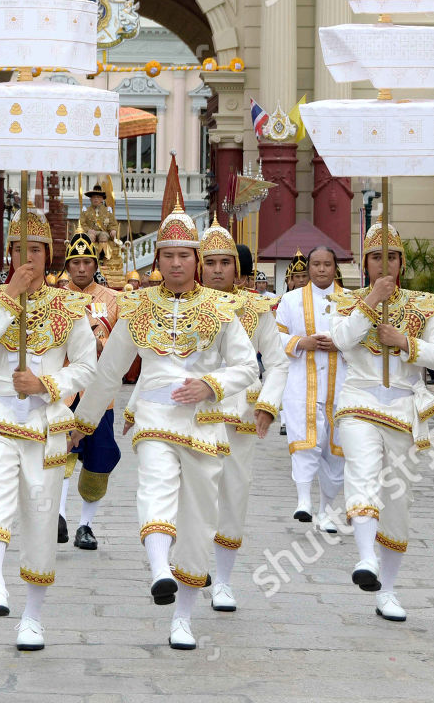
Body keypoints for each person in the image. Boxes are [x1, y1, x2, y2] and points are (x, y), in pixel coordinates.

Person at [68, 204, 259, 650]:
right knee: (154, 487)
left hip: (205, 427)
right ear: (157, 260)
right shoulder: (137, 309)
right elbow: (108, 372)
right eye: (168, 255)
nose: (176, 263)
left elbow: (248, 367)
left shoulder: (220, 309)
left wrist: (212, 384)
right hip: (154, 419)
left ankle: (183, 618)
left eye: (184, 255)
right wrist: (83, 422)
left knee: (197, 522)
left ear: (196, 260)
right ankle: (158, 570)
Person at [0, 211, 97, 650]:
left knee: (41, 520)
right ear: (9, 253)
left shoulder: (69, 307)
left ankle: (33, 616)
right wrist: (9, 296)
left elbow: (86, 365)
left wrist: (47, 384)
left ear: (48, 255)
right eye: (20, 249)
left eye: (36, 250)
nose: (28, 257)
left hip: (45, 422)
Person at [328, 223, 434, 622]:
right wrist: (370, 304)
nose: (385, 263)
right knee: (362, 473)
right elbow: (343, 339)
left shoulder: (422, 306)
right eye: (377, 256)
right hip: (359, 401)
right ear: (365, 263)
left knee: (397, 503)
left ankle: (389, 590)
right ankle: (366, 559)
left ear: (401, 262)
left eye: (392, 256)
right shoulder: (347, 302)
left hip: (402, 409)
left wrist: (403, 342)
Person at [199, 232, 292, 613]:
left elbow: (278, 360)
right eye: (211, 262)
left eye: (226, 263)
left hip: (239, 416)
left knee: (233, 494)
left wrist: (269, 404)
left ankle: (222, 580)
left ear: (238, 269)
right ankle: (186, 558)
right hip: (190, 413)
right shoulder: (178, 305)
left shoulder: (256, 309)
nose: (218, 270)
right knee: (188, 490)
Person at [56, 231, 121, 550]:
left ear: (95, 264)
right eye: (75, 262)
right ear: (67, 267)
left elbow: (121, 342)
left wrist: (99, 344)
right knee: (60, 453)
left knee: (98, 460)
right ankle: (57, 518)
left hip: (98, 393)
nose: (81, 268)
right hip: (64, 388)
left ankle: (86, 524)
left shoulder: (111, 298)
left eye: (86, 262)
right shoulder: (55, 296)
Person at [277, 244, 348, 534]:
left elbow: (362, 340)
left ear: (335, 268)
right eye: (316, 264)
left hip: (341, 385)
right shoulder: (291, 300)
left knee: (336, 451)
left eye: (327, 264)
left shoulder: (351, 302)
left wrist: (340, 343)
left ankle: (327, 511)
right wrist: (299, 343)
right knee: (306, 442)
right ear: (308, 267)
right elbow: (274, 339)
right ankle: (304, 499)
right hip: (302, 385)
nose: (321, 269)